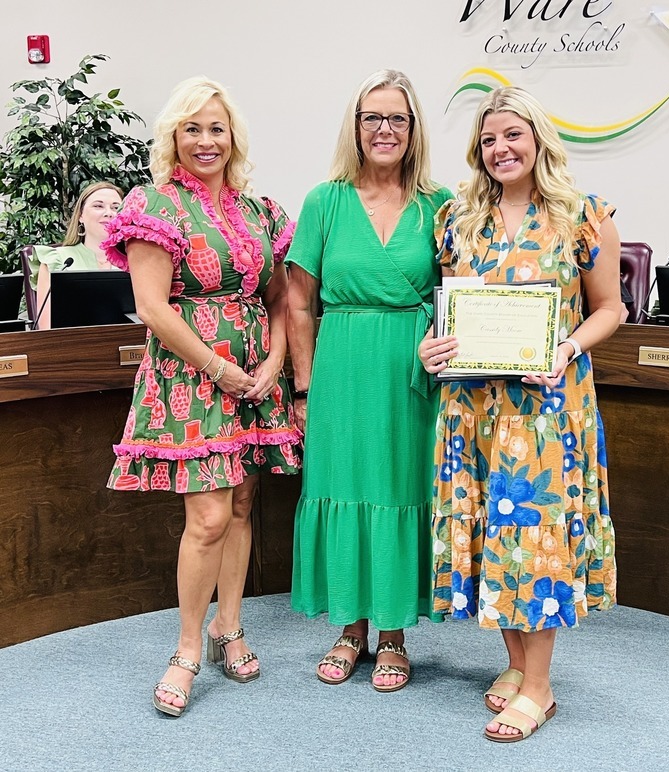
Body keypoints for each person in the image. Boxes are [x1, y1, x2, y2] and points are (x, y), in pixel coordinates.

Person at [419, 86, 620, 742]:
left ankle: (539, 687)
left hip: (544, 407)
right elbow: (447, 306)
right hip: (471, 405)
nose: (501, 149)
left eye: (513, 135)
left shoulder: (582, 216)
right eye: (489, 139)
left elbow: (610, 309)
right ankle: (513, 664)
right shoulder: (456, 218)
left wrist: (566, 346)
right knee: (488, 530)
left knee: (534, 540)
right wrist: (431, 344)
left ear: (538, 140)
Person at [102, 77, 301, 717]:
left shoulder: (260, 211)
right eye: (193, 129)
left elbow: (277, 299)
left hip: (252, 375)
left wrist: (272, 362)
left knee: (243, 505)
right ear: (174, 138)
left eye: (217, 128)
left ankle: (230, 625)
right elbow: (153, 308)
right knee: (207, 517)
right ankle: (187, 647)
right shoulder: (153, 206)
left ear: (233, 137)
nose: (206, 140)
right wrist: (219, 367)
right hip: (192, 377)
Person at [287, 69, 452, 692]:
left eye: (397, 119)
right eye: (372, 118)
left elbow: (461, 292)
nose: (384, 129)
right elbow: (298, 304)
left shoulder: (441, 205)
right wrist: (304, 387)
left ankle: (393, 635)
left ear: (413, 131)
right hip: (342, 368)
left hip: (413, 368)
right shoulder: (323, 201)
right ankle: (351, 629)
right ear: (355, 128)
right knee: (345, 484)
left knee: (400, 488)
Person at [32, 181, 124, 329]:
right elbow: (46, 328)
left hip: (130, 348)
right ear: (80, 215)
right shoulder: (57, 260)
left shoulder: (137, 261)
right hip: (70, 347)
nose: (109, 213)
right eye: (98, 206)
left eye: (116, 207)